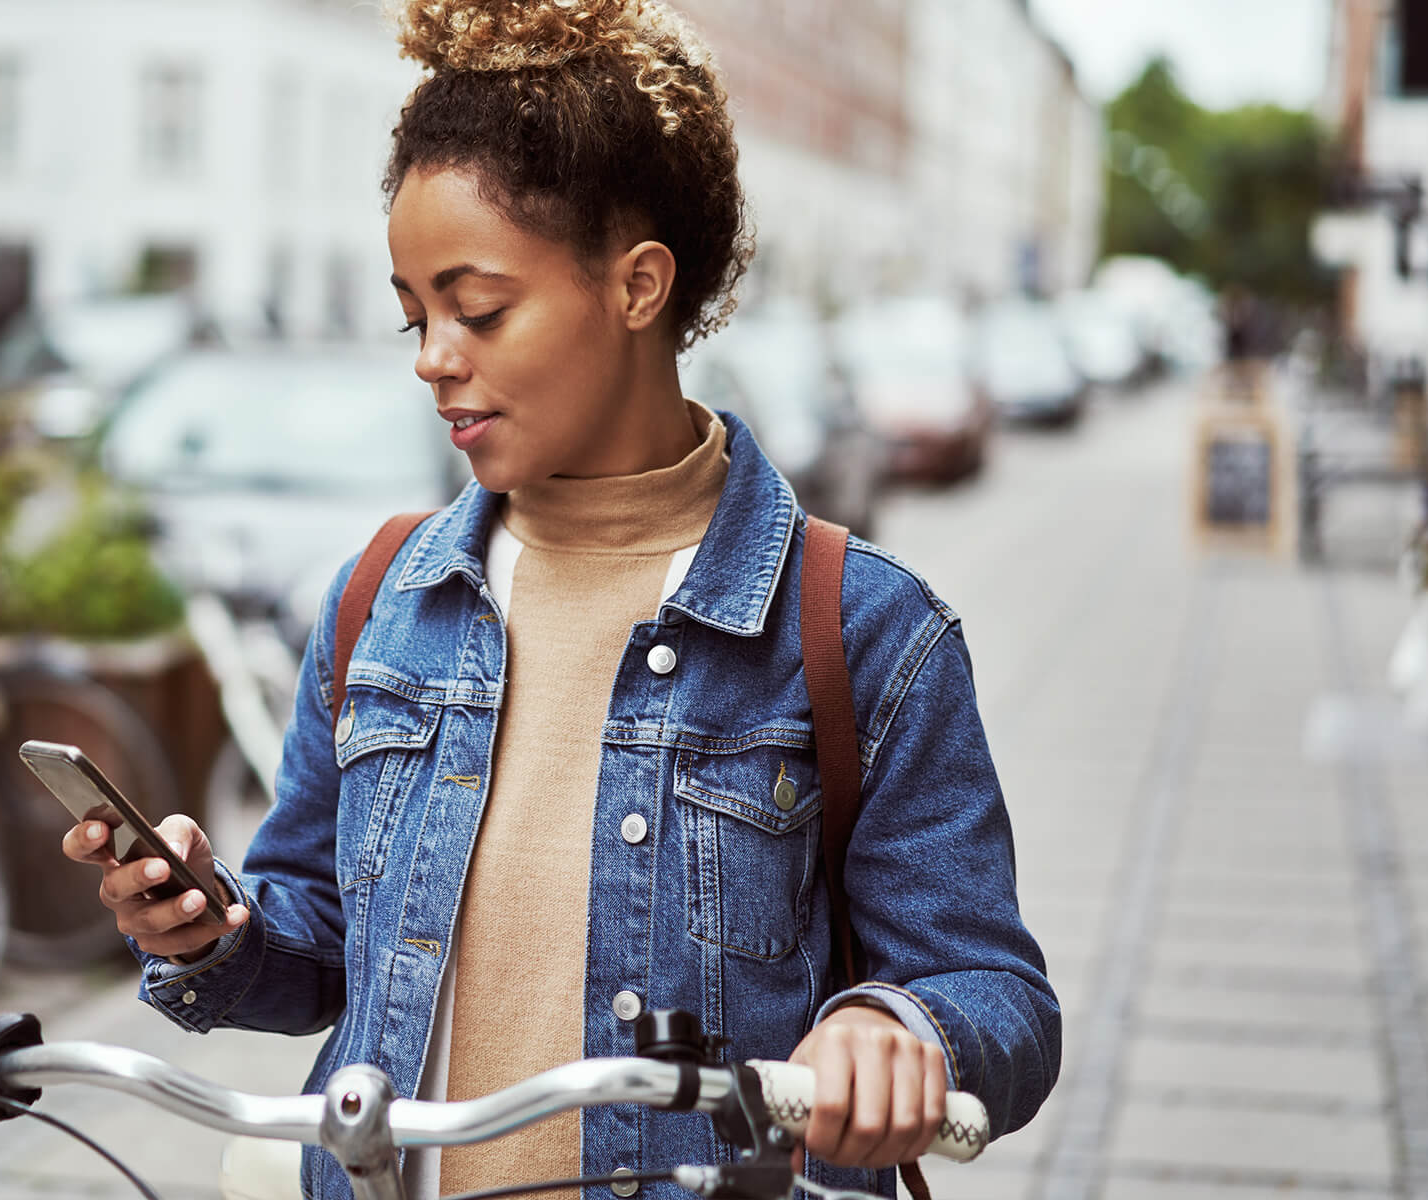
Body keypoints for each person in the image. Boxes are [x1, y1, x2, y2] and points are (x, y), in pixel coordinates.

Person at [64, 2, 1060, 1197]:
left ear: (638, 286)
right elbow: (324, 943)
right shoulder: (387, 598)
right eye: (413, 313)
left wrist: (899, 1032)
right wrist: (215, 928)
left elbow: (996, 997)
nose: (433, 354)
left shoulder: (861, 629)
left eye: (477, 309)